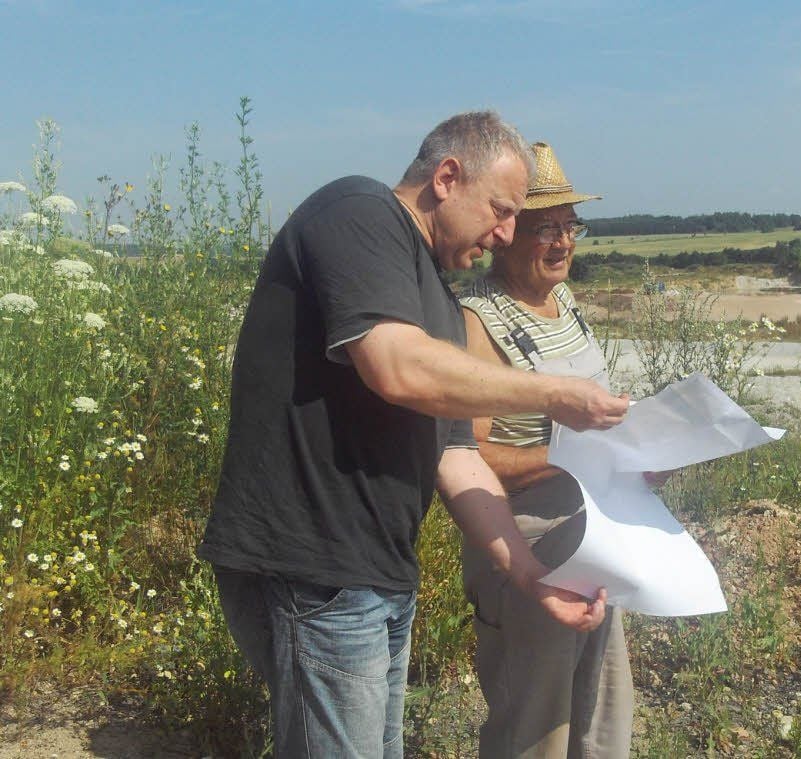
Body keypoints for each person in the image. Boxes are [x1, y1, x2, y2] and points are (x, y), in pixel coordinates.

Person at [196, 112, 629, 758]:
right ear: (448, 177)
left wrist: (532, 574)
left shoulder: (440, 305)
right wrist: (552, 393)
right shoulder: (358, 213)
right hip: (314, 568)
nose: (506, 232)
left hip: (377, 577)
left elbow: (459, 458)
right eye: (502, 210)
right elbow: (393, 365)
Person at [460, 142, 634, 758]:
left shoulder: (567, 306)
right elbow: (470, 450)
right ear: (505, 233)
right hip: (525, 539)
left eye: (569, 227)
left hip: (596, 533)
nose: (562, 243)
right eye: (544, 229)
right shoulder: (477, 319)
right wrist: (568, 461)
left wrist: (638, 456)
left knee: (601, 713)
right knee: (535, 727)